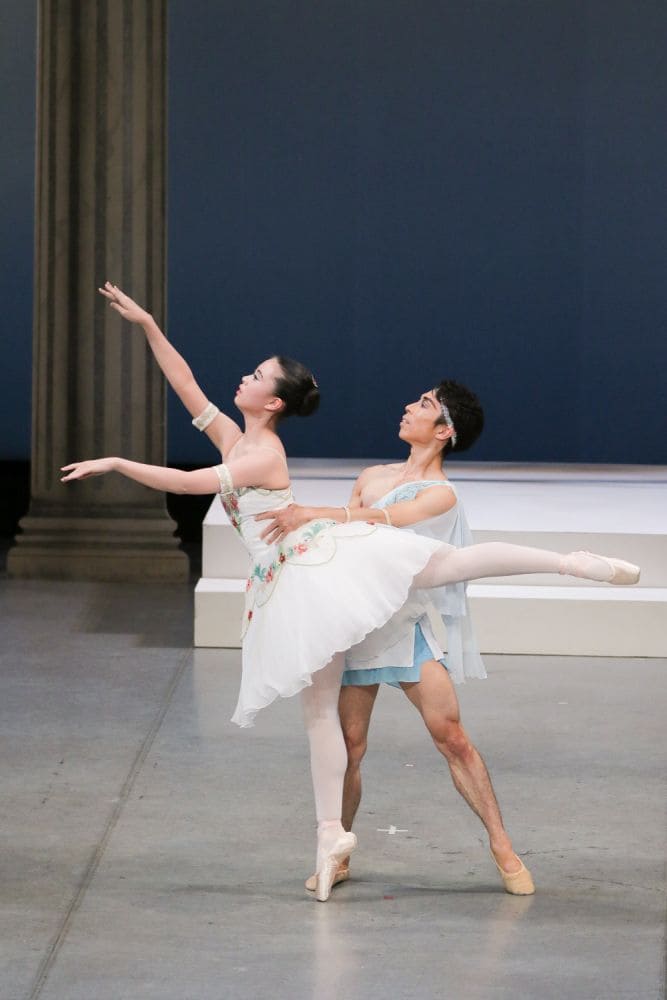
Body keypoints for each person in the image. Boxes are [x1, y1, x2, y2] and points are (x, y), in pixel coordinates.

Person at [61, 283, 640, 902]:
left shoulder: (300, 462)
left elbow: (200, 484)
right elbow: (187, 387)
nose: (243, 377)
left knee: (440, 591)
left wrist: (118, 464)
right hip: (317, 585)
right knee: (337, 726)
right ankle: (330, 841)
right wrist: (149, 325)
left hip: (348, 585)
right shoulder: (259, 445)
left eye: (256, 374)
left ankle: (569, 564)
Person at [257, 380, 534, 895]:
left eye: (424, 405)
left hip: (406, 626)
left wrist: (316, 512)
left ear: (444, 431)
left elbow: (388, 519)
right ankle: (335, 851)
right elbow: (343, 540)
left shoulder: (441, 493)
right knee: (349, 747)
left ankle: (502, 846)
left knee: (451, 737)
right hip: (356, 624)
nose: (409, 406)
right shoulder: (371, 475)